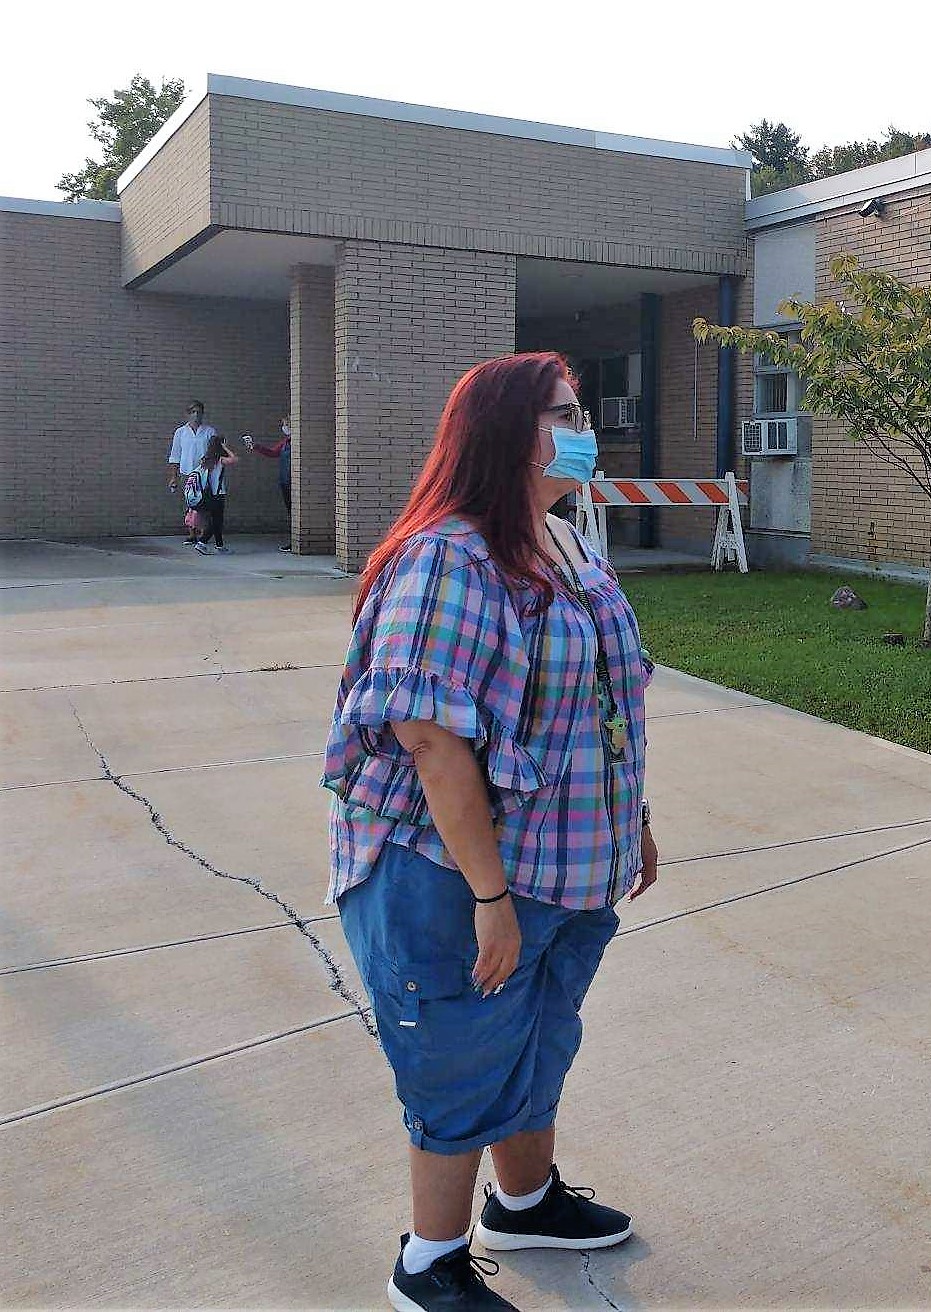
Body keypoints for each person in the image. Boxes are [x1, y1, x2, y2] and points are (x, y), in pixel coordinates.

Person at [324, 351, 658, 1312]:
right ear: (510, 430)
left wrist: (630, 820)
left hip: (565, 867)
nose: (584, 424)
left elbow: (603, 699)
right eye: (566, 410)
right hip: (455, 879)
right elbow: (430, 736)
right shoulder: (450, 555)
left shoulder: (560, 541)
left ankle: (525, 1200)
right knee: (460, 1057)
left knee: (536, 1040)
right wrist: (490, 898)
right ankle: (427, 1262)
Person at [244, 415, 294, 551]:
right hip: (285, 480)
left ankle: (296, 540)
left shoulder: (297, 442)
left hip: (294, 481)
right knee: (290, 511)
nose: (284, 428)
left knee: (295, 512)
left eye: (286, 425)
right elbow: (272, 452)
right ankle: (294, 540)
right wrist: (255, 446)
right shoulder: (285, 443)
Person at [168, 401, 215, 544]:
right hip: (187, 473)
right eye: (193, 412)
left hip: (204, 474)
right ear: (188, 414)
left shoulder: (209, 431)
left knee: (204, 504)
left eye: (199, 412)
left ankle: (203, 533)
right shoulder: (181, 432)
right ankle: (191, 533)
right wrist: (173, 477)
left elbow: (215, 452)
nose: (196, 415)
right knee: (190, 504)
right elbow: (175, 455)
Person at [192, 432, 238, 554]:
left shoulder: (205, 459)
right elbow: (234, 459)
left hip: (208, 494)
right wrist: (225, 448)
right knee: (216, 521)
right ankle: (202, 542)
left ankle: (220, 546)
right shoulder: (220, 460)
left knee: (216, 520)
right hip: (218, 494)